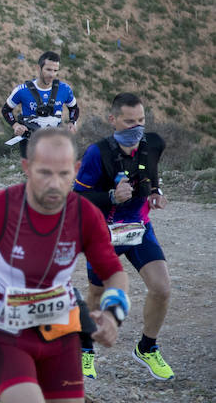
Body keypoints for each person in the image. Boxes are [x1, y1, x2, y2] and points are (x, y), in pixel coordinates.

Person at [0, 129, 130, 403]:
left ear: (76, 170)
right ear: (26, 168)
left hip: (61, 329)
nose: (55, 183)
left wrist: (113, 315)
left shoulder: (84, 213)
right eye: (44, 173)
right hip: (2, 328)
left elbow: (114, 273)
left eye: (64, 174)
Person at [73, 93, 173, 381]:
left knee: (162, 288)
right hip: (103, 232)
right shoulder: (97, 153)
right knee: (97, 293)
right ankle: (85, 350)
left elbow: (151, 176)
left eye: (141, 120)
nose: (136, 127)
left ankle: (147, 348)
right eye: (129, 121)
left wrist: (156, 193)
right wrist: (110, 196)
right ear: (113, 120)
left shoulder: (153, 144)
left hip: (138, 227)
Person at [2, 51, 79, 158]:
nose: (52, 74)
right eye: (48, 69)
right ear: (38, 68)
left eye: (55, 70)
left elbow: (74, 108)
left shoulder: (65, 89)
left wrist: (72, 122)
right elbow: (6, 110)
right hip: (30, 142)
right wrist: (16, 125)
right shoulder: (22, 90)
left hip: (55, 141)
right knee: (33, 173)